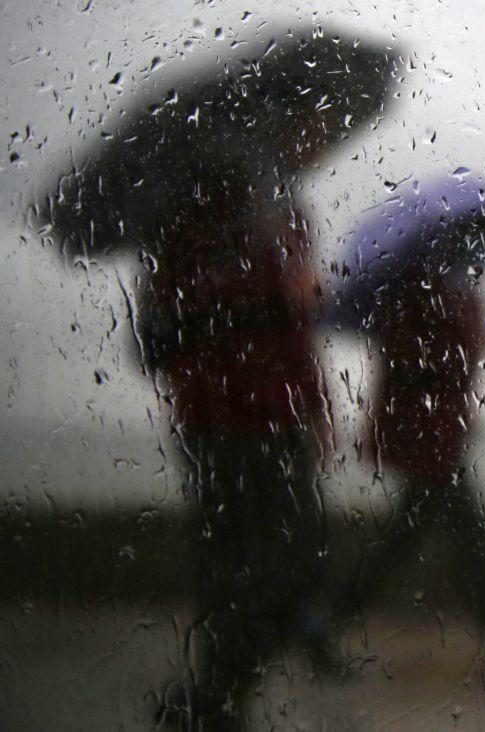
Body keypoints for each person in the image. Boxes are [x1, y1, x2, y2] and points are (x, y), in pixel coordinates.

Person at [35, 25, 397, 730]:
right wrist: (265, 288)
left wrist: (314, 401)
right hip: (226, 405)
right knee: (247, 555)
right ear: (295, 108)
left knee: (284, 550)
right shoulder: (210, 186)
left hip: (276, 399)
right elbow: (199, 309)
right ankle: (211, 700)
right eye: (327, 120)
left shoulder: (273, 190)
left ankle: (219, 693)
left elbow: (289, 320)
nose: (332, 139)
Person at [326, 176, 485, 693]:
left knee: (407, 544)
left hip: (438, 432)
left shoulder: (447, 283)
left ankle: (323, 624)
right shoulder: (417, 288)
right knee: (471, 550)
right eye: (482, 231)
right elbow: (423, 363)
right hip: (423, 434)